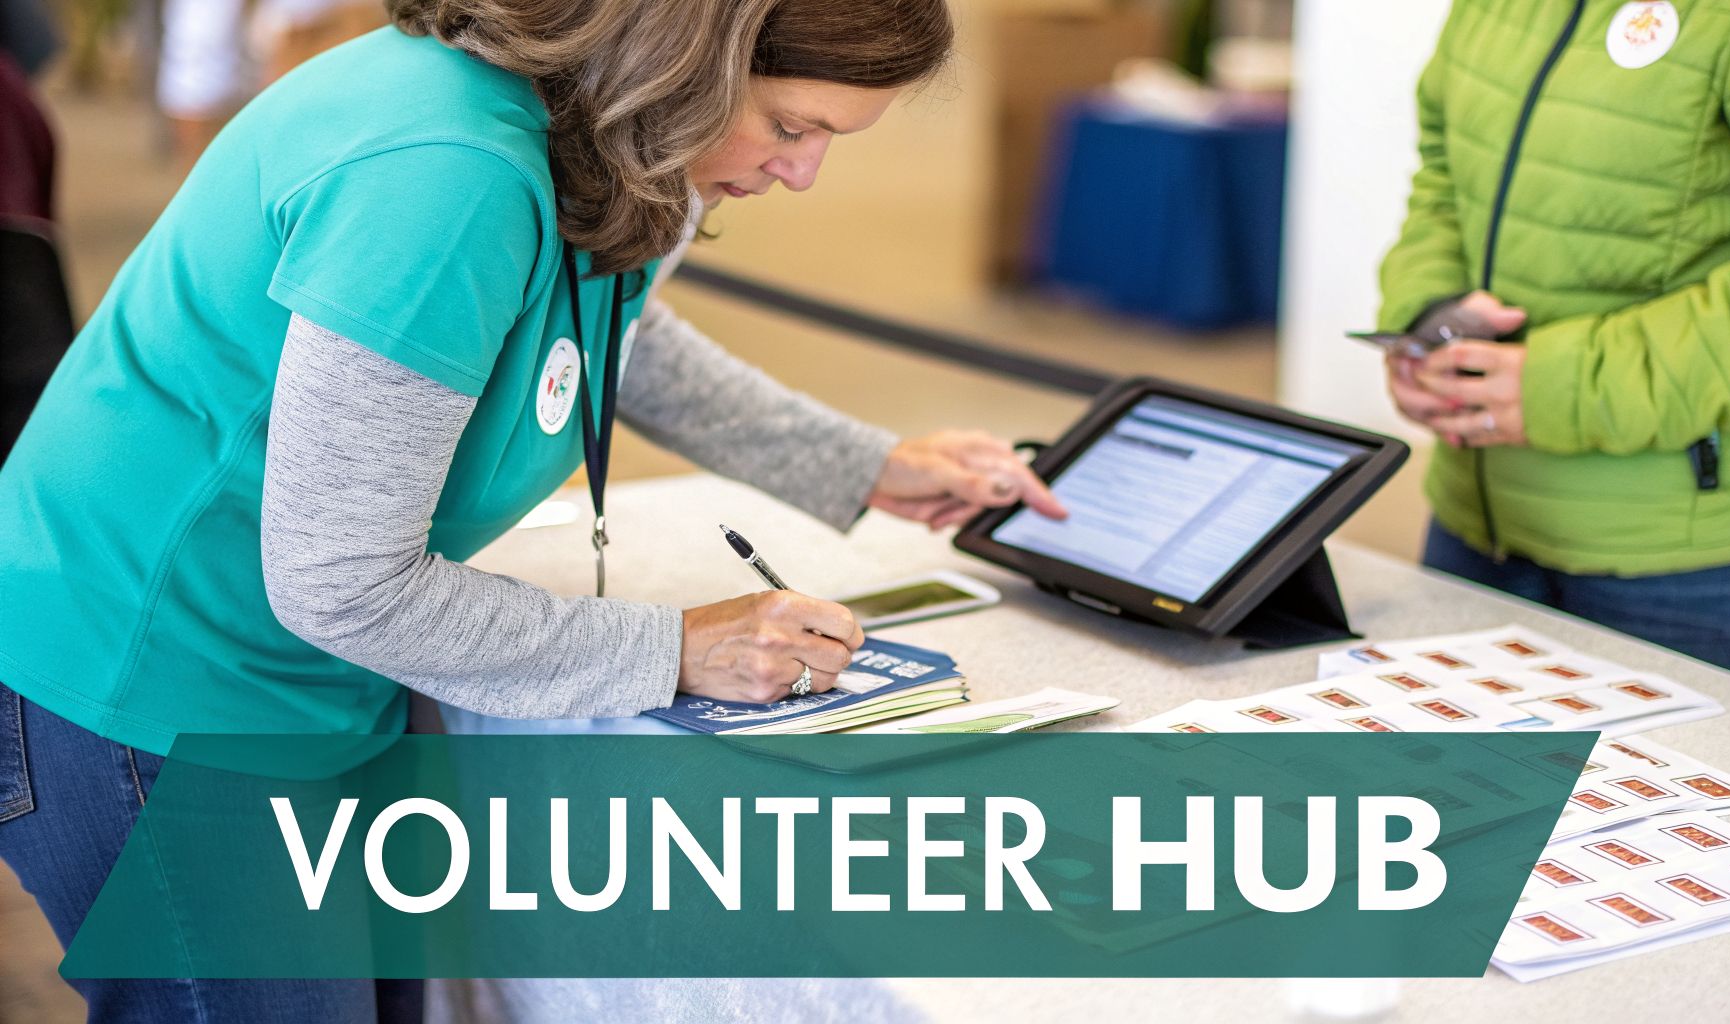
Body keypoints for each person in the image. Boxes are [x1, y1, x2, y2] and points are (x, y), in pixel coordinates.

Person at [0, 0, 1065, 1018]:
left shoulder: (599, 126)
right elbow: (342, 582)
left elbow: (608, 331)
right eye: (790, 127)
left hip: (311, 670)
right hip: (151, 676)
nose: (802, 172)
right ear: (683, 58)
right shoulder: (444, 175)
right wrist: (677, 649)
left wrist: (865, 464)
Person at [1377, 0, 1730, 700]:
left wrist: (1565, 386)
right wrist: (1426, 321)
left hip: (1696, 561)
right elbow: (1443, 173)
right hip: (1479, 518)